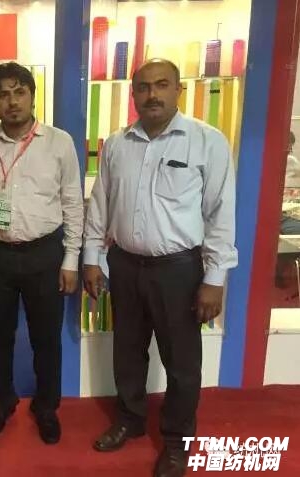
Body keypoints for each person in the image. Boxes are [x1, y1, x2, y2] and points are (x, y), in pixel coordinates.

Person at [83, 59, 237, 477]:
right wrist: (92, 258)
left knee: (181, 363)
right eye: (144, 87)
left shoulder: (207, 142)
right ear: (133, 94)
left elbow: (221, 215)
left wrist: (214, 279)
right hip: (124, 265)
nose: (152, 94)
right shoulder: (117, 144)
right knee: (127, 352)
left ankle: (176, 442)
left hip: (179, 270)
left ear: (178, 90)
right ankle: (130, 419)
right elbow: (100, 204)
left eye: (162, 85)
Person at [0, 62, 84, 444]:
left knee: (45, 338)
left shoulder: (59, 142)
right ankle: (2, 403)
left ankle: (46, 407)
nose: (12, 101)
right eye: (3, 94)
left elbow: (72, 202)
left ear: (33, 96)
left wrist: (70, 259)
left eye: (19, 91)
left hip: (44, 253)